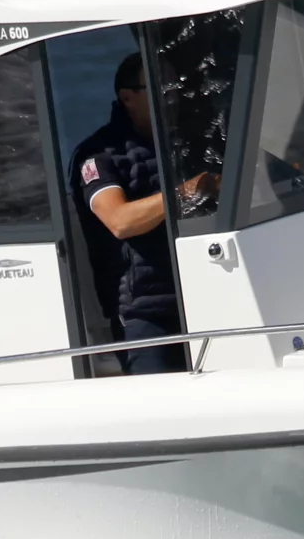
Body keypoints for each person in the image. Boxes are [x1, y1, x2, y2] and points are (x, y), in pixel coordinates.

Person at [70, 53, 214, 375]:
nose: (173, 93)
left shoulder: (190, 141)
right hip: (144, 314)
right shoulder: (98, 155)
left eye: (176, 85)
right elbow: (119, 221)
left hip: (204, 292)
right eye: (162, 87)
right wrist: (185, 192)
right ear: (127, 98)